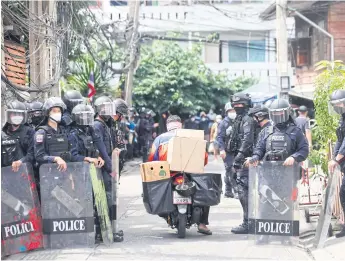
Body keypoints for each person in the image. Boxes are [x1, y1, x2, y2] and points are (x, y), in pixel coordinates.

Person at [248, 99, 309, 243]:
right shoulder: (266, 131)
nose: (278, 115)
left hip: (287, 175)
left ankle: (285, 235)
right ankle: (264, 235)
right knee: (265, 202)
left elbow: (304, 149)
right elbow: (259, 149)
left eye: (280, 112)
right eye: (274, 113)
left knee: (285, 203)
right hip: (268, 174)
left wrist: (294, 157)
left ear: (287, 112)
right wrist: (255, 157)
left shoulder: (296, 131)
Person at [148, 115, 211, 235]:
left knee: (158, 193)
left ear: (168, 126)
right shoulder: (192, 136)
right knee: (204, 190)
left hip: (167, 174)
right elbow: (204, 159)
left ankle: (167, 216)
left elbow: (152, 159)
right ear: (180, 125)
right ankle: (202, 223)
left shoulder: (159, 139)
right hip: (189, 173)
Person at [228, 93, 257, 234]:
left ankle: (248, 223)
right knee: (243, 189)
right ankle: (250, 221)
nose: (237, 107)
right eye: (235, 105)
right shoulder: (240, 118)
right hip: (243, 158)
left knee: (243, 190)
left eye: (240, 105)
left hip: (248, 159)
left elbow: (247, 140)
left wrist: (239, 157)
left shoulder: (248, 119)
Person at [34, 97, 69, 171]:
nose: (57, 113)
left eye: (59, 111)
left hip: (64, 172)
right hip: (48, 173)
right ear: (47, 113)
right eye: (54, 111)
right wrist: (55, 159)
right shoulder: (41, 133)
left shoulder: (63, 131)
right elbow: (39, 156)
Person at [328, 89, 345, 238]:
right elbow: (340, 139)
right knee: (343, 193)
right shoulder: (342, 118)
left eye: (340, 103)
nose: (337, 106)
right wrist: (333, 157)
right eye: (335, 104)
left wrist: (337, 158)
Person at [2, 100, 35, 171]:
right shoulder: (2, 134)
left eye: (20, 114)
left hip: (25, 172)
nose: (17, 117)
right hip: (6, 175)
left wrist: (21, 161)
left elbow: (32, 153)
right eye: (14, 114)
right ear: (9, 115)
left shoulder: (29, 132)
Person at [216, 102, 238, 198]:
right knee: (230, 169)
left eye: (234, 110)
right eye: (230, 111)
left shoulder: (238, 121)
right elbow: (219, 137)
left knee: (234, 170)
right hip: (227, 151)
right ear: (227, 112)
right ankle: (235, 190)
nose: (232, 112)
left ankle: (228, 191)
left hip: (237, 150)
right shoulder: (223, 123)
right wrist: (221, 150)